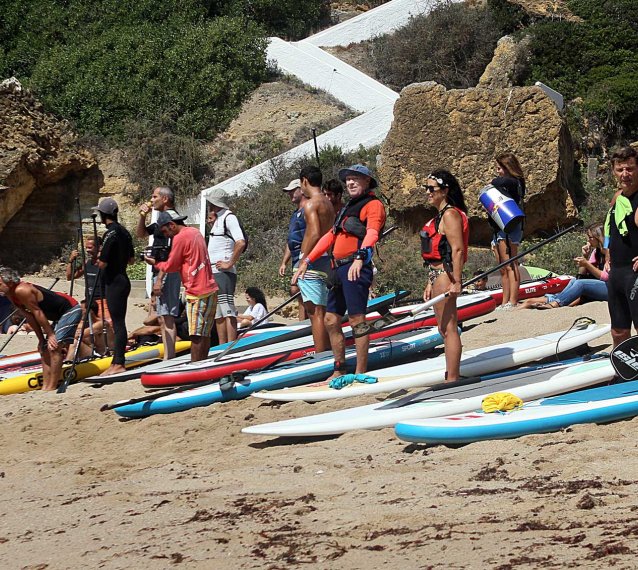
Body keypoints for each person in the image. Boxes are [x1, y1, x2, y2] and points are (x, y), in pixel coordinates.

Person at [295, 164, 386, 382]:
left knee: (357, 320)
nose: (351, 183)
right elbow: (330, 236)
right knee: (330, 319)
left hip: (355, 266)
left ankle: (361, 372)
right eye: (348, 179)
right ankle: (339, 367)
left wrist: (360, 257)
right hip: (338, 268)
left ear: (367, 182)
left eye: (356, 179)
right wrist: (307, 260)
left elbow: (372, 232)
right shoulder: (346, 207)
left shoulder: (373, 205)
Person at [145, 211, 218, 362]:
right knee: (205, 333)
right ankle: (203, 365)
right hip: (210, 287)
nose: (166, 236)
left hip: (196, 291)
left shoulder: (180, 237)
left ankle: (195, 368)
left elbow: (171, 265)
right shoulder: (195, 232)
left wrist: (155, 263)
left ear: (172, 225)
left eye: (165, 231)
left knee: (196, 335)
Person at [420, 170, 469, 383]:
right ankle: (451, 373)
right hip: (436, 276)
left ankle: (453, 377)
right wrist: (428, 283)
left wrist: (457, 281)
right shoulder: (440, 216)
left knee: (449, 328)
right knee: (443, 328)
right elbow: (437, 252)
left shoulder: (450, 215)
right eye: (427, 188)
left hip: (445, 276)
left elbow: (457, 249)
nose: (428, 192)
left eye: (432, 189)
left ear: (445, 190)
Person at [0, 267, 82, 390]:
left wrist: (50, 335)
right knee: (44, 349)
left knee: (54, 347)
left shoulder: (22, 290)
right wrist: (41, 339)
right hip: (56, 315)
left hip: (70, 309)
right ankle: (46, 385)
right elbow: (29, 316)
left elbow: (38, 313)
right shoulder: (10, 294)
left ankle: (52, 386)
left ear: (10, 282)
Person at [136, 186, 184, 360]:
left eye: (154, 196)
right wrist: (142, 216)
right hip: (160, 270)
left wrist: (160, 278)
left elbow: (173, 252)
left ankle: (169, 357)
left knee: (168, 316)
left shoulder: (172, 220)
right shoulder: (161, 220)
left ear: (165, 199)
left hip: (167, 272)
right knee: (163, 317)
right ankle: (167, 355)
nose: (152, 199)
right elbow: (141, 233)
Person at [292, 165, 335, 353]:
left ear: (304, 181)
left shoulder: (311, 204)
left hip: (313, 261)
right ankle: (327, 350)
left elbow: (315, 233)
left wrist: (304, 259)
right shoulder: (328, 202)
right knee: (323, 309)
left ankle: (321, 354)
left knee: (314, 311)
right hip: (327, 259)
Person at [518, 224, 608, 309]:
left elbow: (605, 277)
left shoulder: (610, 252)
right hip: (601, 285)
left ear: (599, 238)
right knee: (575, 280)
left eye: (590, 238)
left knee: (581, 284)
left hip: (611, 288)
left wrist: (587, 264)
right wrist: (585, 256)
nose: (588, 241)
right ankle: (553, 300)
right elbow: (582, 274)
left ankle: (555, 303)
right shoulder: (596, 252)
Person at [92, 197, 135, 376]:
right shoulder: (124, 231)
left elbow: (102, 263)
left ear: (103, 215)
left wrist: (97, 257)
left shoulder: (110, 233)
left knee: (118, 324)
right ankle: (117, 360)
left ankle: (118, 362)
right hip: (123, 279)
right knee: (119, 322)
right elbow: (131, 260)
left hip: (114, 282)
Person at [604, 146, 638, 347]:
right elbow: (610, 226)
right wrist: (607, 253)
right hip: (616, 272)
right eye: (620, 169)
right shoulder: (618, 198)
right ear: (613, 171)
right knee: (618, 331)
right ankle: (622, 373)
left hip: (634, 275)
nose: (625, 174)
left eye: (630, 169)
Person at [206, 193, 246, 344]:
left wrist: (229, 262)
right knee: (218, 312)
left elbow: (240, 242)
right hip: (215, 270)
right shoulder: (219, 219)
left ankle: (230, 345)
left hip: (223, 271)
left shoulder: (229, 218)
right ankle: (223, 346)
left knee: (227, 308)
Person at [489, 152, 526, 310]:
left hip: (512, 225)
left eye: (500, 168)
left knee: (512, 263)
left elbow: (498, 181)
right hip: (498, 226)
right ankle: (504, 301)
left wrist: (495, 182)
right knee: (503, 266)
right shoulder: (504, 183)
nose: (497, 172)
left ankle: (513, 300)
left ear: (507, 167)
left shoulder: (515, 182)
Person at [279, 179, 306, 321]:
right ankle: (304, 322)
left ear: (301, 190)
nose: (289, 193)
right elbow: (291, 240)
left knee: (297, 288)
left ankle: (306, 322)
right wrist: (284, 262)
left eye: (292, 190)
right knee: (297, 290)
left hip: (305, 256)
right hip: (295, 257)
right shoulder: (295, 215)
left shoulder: (308, 209)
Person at [66, 236, 109, 322]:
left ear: (99, 247)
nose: (87, 250)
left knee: (104, 324)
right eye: (86, 248)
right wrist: (71, 261)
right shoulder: (87, 263)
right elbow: (70, 277)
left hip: (102, 301)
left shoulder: (106, 264)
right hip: (88, 301)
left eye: (90, 247)